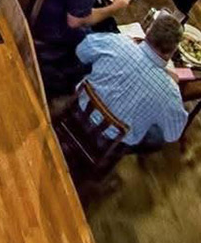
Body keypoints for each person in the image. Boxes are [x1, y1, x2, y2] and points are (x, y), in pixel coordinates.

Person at [74, 11, 189, 148]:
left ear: (148, 30)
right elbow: (173, 134)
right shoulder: (170, 91)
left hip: (78, 109)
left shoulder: (117, 42)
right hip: (108, 143)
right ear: (173, 50)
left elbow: (81, 50)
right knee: (158, 136)